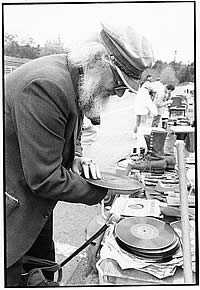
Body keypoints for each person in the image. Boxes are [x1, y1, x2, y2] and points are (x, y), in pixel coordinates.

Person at [5, 23, 154, 286]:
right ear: (99, 60)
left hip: (35, 208)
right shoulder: (47, 86)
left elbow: (72, 135)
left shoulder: (77, 80)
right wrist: (104, 190)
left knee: (45, 271)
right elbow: (45, 178)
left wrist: (76, 157)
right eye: (119, 81)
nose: (119, 92)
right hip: (12, 214)